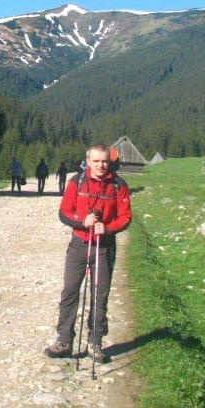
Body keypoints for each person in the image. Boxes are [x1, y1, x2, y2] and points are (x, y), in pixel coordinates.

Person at [45, 144, 132, 363]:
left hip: (104, 246)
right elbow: (64, 213)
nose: (101, 165)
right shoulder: (77, 182)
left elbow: (126, 216)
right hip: (79, 245)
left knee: (99, 294)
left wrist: (109, 228)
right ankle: (64, 340)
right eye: (96, 161)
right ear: (88, 160)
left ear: (109, 162)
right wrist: (82, 222)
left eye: (104, 161)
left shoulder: (118, 185)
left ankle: (95, 342)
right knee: (70, 292)